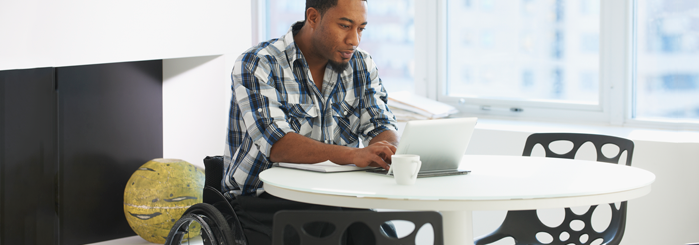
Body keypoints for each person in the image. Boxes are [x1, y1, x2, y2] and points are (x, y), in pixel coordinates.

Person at [222, 0, 399, 243]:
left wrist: (389, 150)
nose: (354, 40)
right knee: (328, 229)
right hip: (263, 199)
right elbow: (277, 144)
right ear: (313, 18)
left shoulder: (361, 64)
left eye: (360, 29)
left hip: (336, 195)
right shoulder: (258, 63)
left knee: (381, 235)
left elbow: (380, 123)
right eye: (345, 26)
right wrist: (355, 155)